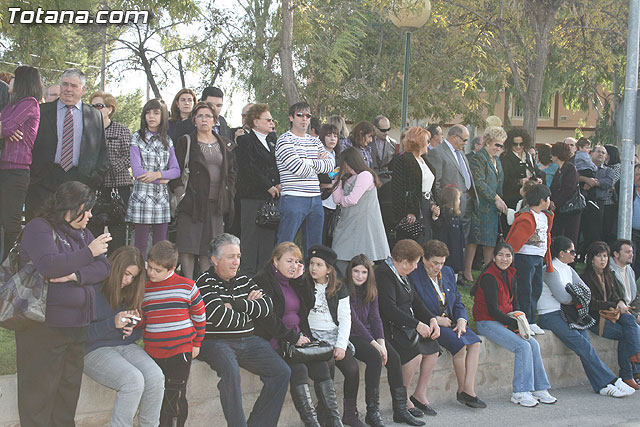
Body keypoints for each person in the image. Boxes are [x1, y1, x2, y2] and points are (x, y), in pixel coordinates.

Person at [15, 181, 111, 426]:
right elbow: (49, 265)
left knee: (67, 395)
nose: (90, 215)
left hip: (77, 326)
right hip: (44, 327)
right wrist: (87, 253)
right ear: (70, 206)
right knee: (39, 396)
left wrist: (75, 275)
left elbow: (104, 267)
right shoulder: (40, 228)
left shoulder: (82, 233)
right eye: (86, 208)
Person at [195, 233, 291, 427]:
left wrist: (236, 305)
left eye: (238, 256)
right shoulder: (204, 283)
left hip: (248, 340)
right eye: (231, 257)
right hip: (215, 342)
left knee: (282, 372)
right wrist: (249, 309)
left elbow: (267, 307)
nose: (236, 262)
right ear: (215, 259)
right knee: (231, 372)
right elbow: (221, 318)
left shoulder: (244, 280)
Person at [253, 242, 343, 427]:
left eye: (297, 261)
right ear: (276, 261)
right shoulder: (263, 280)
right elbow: (268, 320)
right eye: (289, 261)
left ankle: (335, 421)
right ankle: (311, 423)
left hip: (299, 339)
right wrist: (294, 338)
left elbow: (308, 304)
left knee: (321, 366)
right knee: (299, 369)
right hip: (277, 340)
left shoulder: (294, 280)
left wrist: (301, 280)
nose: (294, 266)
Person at [538, 236, 635, 397]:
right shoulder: (550, 269)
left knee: (586, 343)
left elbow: (586, 292)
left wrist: (575, 296)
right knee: (582, 345)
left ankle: (601, 385)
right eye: (572, 251)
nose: (575, 255)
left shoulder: (568, 269)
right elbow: (564, 297)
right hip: (550, 315)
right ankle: (609, 381)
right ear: (562, 253)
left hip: (567, 314)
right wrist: (576, 296)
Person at [84, 246, 165, 426]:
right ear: (116, 267)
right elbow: (80, 335)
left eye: (133, 277)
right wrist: (112, 323)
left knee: (156, 377)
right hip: (93, 349)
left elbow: (135, 332)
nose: (128, 281)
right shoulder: (93, 289)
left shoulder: (130, 290)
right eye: (126, 274)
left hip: (125, 346)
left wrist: (132, 329)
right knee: (133, 381)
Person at [472, 243, 557, 407]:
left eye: (508, 255)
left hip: (505, 319)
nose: (504, 259)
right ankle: (520, 392)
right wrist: (515, 325)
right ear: (494, 257)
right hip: (487, 321)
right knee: (522, 347)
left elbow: (515, 303)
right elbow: (493, 310)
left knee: (533, 344)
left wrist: (520, 321)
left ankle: (540, 388)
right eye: (501, 255)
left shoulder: (511, 274)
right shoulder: (489, 276)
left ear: (513, 258)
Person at [409, 240, 485, 408]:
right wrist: (435, 318)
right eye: (435, 263)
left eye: (442, 263)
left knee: (475, 343)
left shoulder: (449, 272)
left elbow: (457, 301)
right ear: (424, 259)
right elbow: (414, 306)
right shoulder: (415, 276)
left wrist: (461, 320)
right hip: (432, 323)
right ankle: (463, 390)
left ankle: (468, 389)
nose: (438, 267)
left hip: (451, 321)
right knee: (459, 345)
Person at [26, 68, 109, 221]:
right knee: (41, 228)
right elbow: (28, 144)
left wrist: (94, 178)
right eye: (65, 84)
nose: (68, 89)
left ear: (83, 90)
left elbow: (102, 151)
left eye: (74, 86)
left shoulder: (94, 115)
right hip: (43, 181)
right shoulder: (42, 111)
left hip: (80, 182)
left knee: (72, 233)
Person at [141, 240, 206, 426]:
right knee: (157, 397)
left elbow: (200, 317)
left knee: (175, 397)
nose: (151, 273)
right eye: (150, 267)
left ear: (173, 268)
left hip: (180, 352)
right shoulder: (145, 290)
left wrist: (197, 343)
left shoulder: (187, 286)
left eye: (157, 270)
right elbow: (143, 320)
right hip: (153, 353)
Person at [377, 239, 441, 425]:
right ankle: (402, 401)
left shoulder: (403, 273)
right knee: (414, 355)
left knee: (433, 349)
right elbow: (388, 309)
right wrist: (416, 324)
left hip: (406, 326)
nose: (415, 268)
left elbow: (416, 301)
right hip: (390, 327)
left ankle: (419, 395)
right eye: (414, 263)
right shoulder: (384, 274)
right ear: (404, 261)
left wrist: (431, 319)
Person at [170, 101, 236, 279]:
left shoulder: (225, 144)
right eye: (200, 116)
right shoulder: (186, 141)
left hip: (216, 204)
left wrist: (228, 193)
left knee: (209, 248)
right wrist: (181, 194)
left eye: (208, 116)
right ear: (194, 120)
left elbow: (231, 172)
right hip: (192, 202)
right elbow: (175, 170)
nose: (204, 119)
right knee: (188, 246)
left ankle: (205, 288)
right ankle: (188, 285)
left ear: (215, 120)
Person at [305, 245, 364, 427]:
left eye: (319, 265)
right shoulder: (303, 284)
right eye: (312, 263)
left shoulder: (339, 288)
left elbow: (346, 319)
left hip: (333, 334)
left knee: (352, 369)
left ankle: (350, 413)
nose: (313, 268)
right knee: (327, 363)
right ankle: (324, 411)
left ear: (329, 269)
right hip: (312, 335)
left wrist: (341, 344)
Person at [346, 254, 405, 427]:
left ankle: (400, 410)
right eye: (356, 271)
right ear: (350, 272)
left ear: (369, 274)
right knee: (374, 357)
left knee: (394, 358)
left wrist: (382, 342)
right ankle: (373, 412)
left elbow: (375, 317)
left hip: (370, 334)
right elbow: (354, 322)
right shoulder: (345, 290)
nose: (359, 276)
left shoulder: (371, 290)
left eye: (364, 272)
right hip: (352, 335)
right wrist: (375, 345)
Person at [275, 102, 334, 256]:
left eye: (307, 116)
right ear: (291, 117)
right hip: (293, 198)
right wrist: (317, 162)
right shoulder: (284, 140)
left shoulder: (315, 141)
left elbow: (329, 166)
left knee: (315, 247)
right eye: (299, 115)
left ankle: (310, 278)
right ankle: (279, 277)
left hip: (315, 199)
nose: (304, 119)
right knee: (285, 244)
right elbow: (298, 169)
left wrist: (307, 162)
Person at [580, 241, 640, 390]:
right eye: (599, 256)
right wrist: (613, 305)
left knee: (630, 319)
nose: (603, 260)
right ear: (591, 259)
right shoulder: (585, 277)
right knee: (627, 334)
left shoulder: (609, 275)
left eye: (605, 256)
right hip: (596, 319)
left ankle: (633, 362)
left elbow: (614, 296)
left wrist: (619, 302)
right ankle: (629, 373)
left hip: (613, 316)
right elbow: (590, 304)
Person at [126, 99, 180, 257]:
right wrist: (162, 179)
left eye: (156, 113)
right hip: (141, 197)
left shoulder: (167, 140)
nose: (151, 116)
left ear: (163, 116)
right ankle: (140, 279)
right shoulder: (137, 138)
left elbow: (175, 170)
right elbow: (138, 172)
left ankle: (158, 279)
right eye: (148, 113)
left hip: (161, 200)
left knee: (160, 245)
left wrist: (158, 175)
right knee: (140, 244)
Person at [0, 66, 42, 260]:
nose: (10, 80)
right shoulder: (11, 105)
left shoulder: (30, 103)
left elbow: (7, 127)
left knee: (11, 223)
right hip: (4, 168)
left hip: (16, 170)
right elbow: (5, 127)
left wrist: (5, 127)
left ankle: (12, 267)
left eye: (14, 77)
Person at [235, 103, 280, 276]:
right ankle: (247, 280)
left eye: (272, 119)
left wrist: (278, 183)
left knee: (267, 244)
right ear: (255, 121)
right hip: (252, 199)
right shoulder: (246, 141)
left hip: (271, 201)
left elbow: (276, 166)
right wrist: (267, 185)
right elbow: (248, 168)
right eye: (267, 120)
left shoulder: (272, 141)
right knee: (250, 241)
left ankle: (264, 281)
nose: (271, 123)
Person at [331, 147, 390, 273]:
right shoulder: (347, 178)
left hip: (364, 221)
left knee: (363, 256)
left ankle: (362, 283)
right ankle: (350, 280)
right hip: (349, 220)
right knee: (340, 253)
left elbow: (352, 199)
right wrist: (336, 180)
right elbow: (336, 199)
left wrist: (342, 199)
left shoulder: (365, 176)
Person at [505, 183, 554, 334]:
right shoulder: (526, 217)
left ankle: (532, 320)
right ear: (541, 200)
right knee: (525, 289)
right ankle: (524, 320)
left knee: (536, 288)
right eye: (548, 198)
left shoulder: (546, 216)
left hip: (538, 257)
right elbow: (515, 239)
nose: (549, 201)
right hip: (525, 257)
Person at [88, 91, 133, 251]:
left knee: (117, 233)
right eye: (92, 106)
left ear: (110, 109)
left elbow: (130, 156)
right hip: (95, 187)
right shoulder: (87, 130)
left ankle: (116, 269)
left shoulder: (121, 130)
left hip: (118, 187)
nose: (95, 109)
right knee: (93, 231)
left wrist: (109, 167)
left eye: (99, 106)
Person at [462, 126, 507, 284]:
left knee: (490, 241)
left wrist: (499, 200)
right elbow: (478, 183)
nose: (498, 148)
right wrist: (495, 198)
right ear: (488, 142)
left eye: (501, 146)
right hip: (480, 205)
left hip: (493, 207)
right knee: (474, 240)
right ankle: (467, 271)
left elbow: (499, 182)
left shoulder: (497, 160)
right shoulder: (479, 158)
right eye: (497, 145)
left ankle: (489, 273)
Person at [427, 124, 477, 240]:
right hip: (450, 209)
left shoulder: (460, 153)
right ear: (455, 137)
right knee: (451, 244)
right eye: (464, 140)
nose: (465, 143)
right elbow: (436, 183)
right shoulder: (437, 153)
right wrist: (445, 206)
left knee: (462, 243)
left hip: (467, 203)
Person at [391, 126, 440, 245]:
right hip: (413, 208)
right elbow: (398, 189)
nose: (429, 144)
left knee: (426, 242)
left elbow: (430, 186)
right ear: (420, 142)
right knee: (413, 245)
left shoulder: (424, 160)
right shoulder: (403, 160)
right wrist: (407, 211)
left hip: (427, 206)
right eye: (427, 141)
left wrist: (434, 205)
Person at [578, 145, 615, 254]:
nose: (601, 154)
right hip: (582, 202)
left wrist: (593, 183)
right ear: (591, 153)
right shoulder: (583, 168)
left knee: (594, 233)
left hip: (598, 204)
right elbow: (576, 177)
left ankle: (593, 256)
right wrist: (586, 179)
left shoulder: (608, 170)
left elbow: (608, 182)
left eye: (603, 153)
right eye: (598, 151)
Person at [500, 128, 544, 210]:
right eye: (515, 144)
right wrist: (519, 182)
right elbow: (504, 180)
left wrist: (538, 179)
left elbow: (537, 171)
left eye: (521, 144)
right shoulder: (505, 157)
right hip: (512, 198)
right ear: (509, 144)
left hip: (530, 198)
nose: (518, 147)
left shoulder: (528, 156)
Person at [549, 141, 581, 246]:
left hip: (570, 211)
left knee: (569, 237)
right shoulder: (559, 170)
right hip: (560, 210)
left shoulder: (570, 168)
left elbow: (568, 189)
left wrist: (555, 203)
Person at [433, 187, 465, 273]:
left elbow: (461, 232)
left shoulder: (457, 215)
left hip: (456, 247)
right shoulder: (444, 213)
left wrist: (463, 246)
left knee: (455, 267)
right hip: (447, 245)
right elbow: (437, 226)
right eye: (458, 198)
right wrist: (435, 217)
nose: (459, 201)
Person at [318, 123, 340, 246]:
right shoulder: (319, 155)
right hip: (322, 201)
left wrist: (333, 184)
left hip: (335, 203)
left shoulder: (339, 157)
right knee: (321, 237)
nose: (332, 139)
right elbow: (322, 178)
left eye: (335, 136)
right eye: (329, 135)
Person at [610, 239, 640, 321]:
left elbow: (636, 296)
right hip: (617, 313)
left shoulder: (630, 270)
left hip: (631, 312)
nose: (631, 255)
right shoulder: (609, 272)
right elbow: (614, 298)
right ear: (616, 254)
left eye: (632, 252)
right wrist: (636, 316)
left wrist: (636, 314)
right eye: (627, 252)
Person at [602, 145, 621, 244]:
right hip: (602, 202)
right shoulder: (603, 167)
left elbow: (611, 184)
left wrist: (600, 183)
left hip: (611, 203)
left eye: (605, 153)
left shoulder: (618, 168)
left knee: (608, 230)